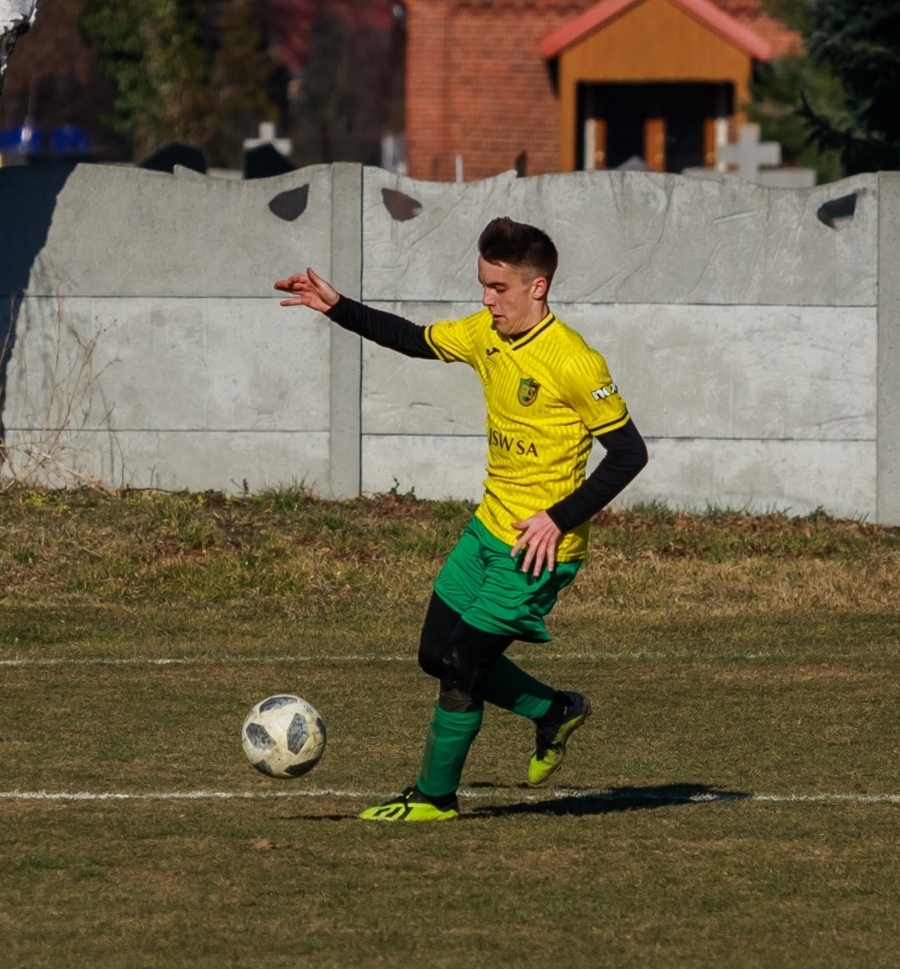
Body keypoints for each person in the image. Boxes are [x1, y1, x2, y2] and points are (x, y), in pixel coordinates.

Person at [275, 217, 648, 822]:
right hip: (486, 530)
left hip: (537, 550)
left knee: (461, 666)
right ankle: (554, 711)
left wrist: (557, 518)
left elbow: (630, 454)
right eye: (483, 285)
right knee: (434, 653)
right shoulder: (485, 335)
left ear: (538, 287)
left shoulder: (575, 361)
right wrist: (336, 306)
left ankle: (434, 797)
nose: (486, 299)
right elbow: (414, 337)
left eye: (498, 288)